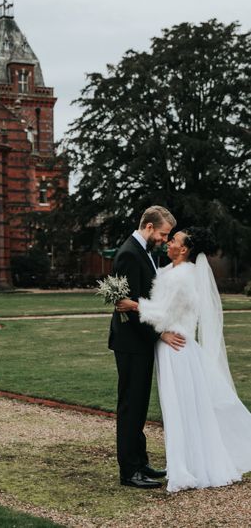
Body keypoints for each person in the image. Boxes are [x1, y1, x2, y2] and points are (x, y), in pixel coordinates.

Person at [128, 227, 251, 492]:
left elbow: (160, 314)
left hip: (177, 350)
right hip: (173, 347)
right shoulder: (170, 272)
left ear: (183, 249)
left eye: (173, 240)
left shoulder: (182, 276)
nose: (169, 242)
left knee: (178, 408)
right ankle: (186, 463)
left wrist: (133, 305)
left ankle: (186, 468)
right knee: (182, 407)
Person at [109, 205, 185, 489]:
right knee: (131, 406)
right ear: (150, 227)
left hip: (138, 343)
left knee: (139, 404)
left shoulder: (142, 252)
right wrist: (160, 335)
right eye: (164, 234)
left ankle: (140, 462)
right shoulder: (129, 253)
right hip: (131, 342)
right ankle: (129, 471)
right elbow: (127, 307)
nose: (166, 240)